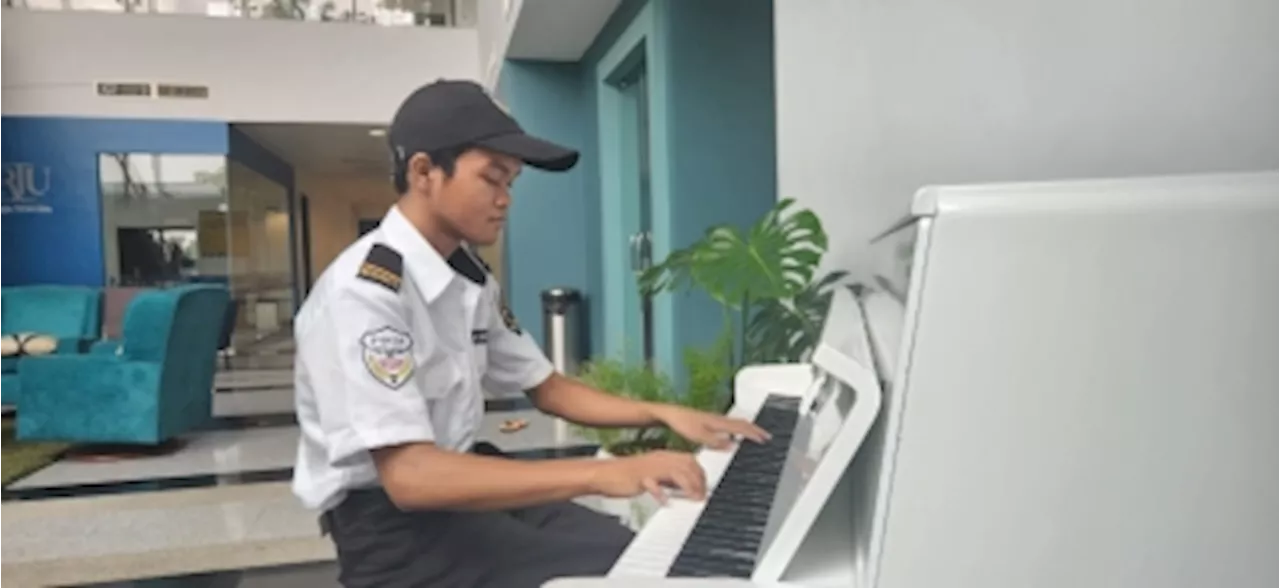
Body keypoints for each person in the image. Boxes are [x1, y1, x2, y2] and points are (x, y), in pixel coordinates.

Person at [290, 79, 770, 588]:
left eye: (511, 184)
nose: (505, 200)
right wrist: (602, 473)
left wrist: (661, 413)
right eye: (491, 179)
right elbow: (409, 477)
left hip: (459, 485)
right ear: (425, 172)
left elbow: (548, 387)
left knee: (631, 552)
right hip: (394, 531)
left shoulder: (465, 277)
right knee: (621, 574)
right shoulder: (365, 294)